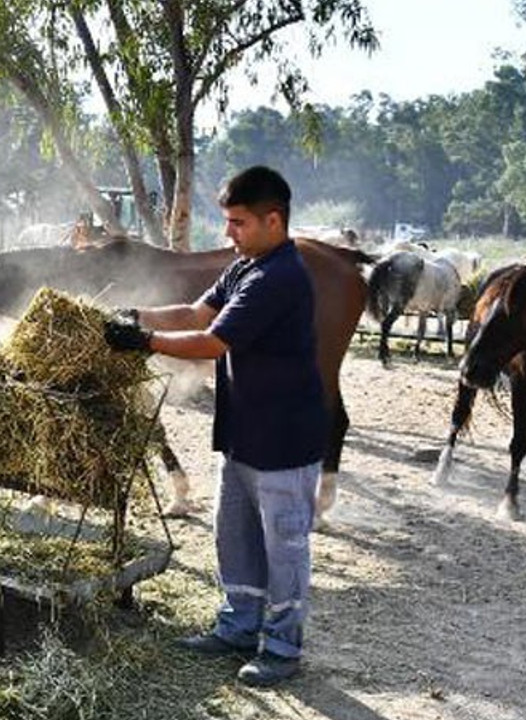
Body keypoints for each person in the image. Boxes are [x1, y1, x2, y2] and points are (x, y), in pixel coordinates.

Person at [103, 166, 324, 687]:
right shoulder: (247, 265)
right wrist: (137, 314)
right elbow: (195, 311)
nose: (228, 233)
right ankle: (238, 626)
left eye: (239, 223)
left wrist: (144, 344)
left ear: (274, 220)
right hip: (245, 434)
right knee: (236, 538)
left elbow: (213, 340)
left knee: (284, 548)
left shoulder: (280, 277)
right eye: (227, 222)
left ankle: (282, 647)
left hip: (285, 442)